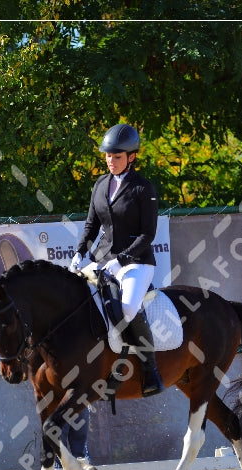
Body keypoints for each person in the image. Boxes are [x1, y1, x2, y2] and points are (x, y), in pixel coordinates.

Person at [69, 123, 164, 396]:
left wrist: (122, 260)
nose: (111, 161)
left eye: (117, 156)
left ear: (132, 157)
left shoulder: (144, 188)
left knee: (128, 308)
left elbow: (148, 234)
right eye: (108, 156)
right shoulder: (100, 184)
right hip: (101, 259)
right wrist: (79, 252)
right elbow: (91, 226)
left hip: (137, 262)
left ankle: (150, 370)